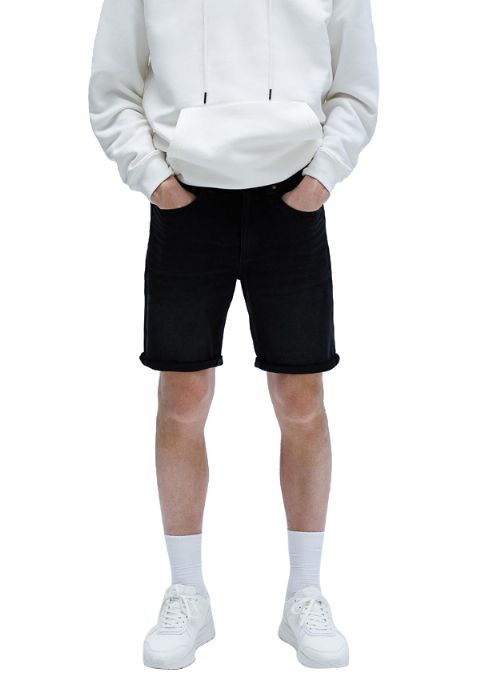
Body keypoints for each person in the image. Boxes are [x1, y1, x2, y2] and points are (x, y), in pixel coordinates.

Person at [88, 0, 379, 670]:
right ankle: (187, 591)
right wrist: (155, 179)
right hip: (187, 202)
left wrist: (321, 178)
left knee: (301, 400)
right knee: (182, 399)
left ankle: (304, 593)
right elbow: (112, 85)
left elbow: (356, 85)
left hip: (290, 201)